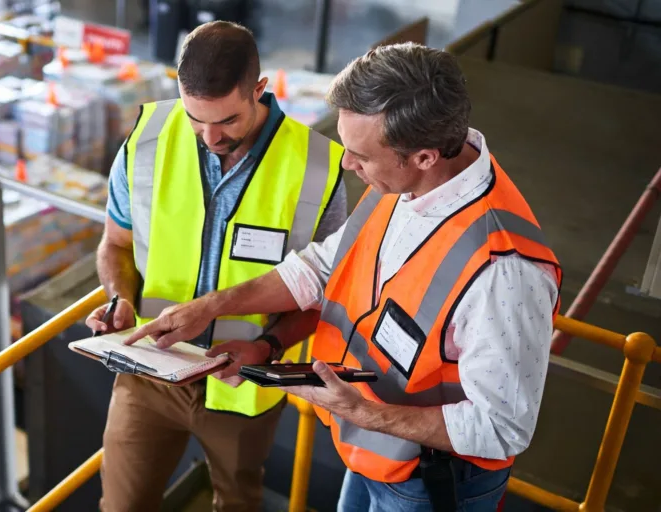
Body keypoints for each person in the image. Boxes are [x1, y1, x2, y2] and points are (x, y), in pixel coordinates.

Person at [126, 43, 562, 511]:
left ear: (425, 157)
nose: (347, 164)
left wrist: (362, 411)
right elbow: (320, 267)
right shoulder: (404, 183)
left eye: (361, 155)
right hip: (371, 453)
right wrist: (214, 307)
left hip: (431, 484)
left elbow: (501, 429)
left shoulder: (505, 272)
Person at [85, 21, 348, 512]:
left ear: (259, 90)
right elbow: (115, 244)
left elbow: (329, 294)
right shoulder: (146, 140)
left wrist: (267, 346)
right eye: (194, 118)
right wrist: (119, 299)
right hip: (148, 371)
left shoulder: (318, 168)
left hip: (242, 388)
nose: (209, 136)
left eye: (226, 120)